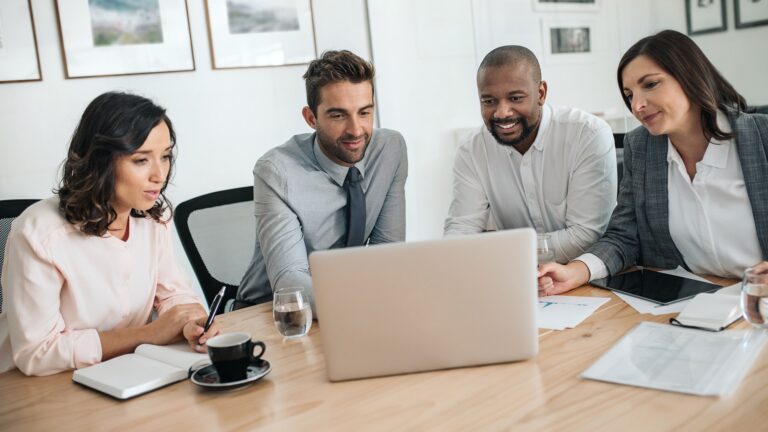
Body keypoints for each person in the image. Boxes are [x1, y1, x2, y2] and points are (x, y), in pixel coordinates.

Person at [0, 92, 220, 376]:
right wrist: (150, 334)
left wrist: (192, 321)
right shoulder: (39, 232)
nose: (159, 174)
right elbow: (38, 353)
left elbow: (173, 295)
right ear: (100, 161)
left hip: (124, 372)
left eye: (165, 157)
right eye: (141, 160)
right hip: (37, 388)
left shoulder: (153, 217)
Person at [538, 30, 768, 296]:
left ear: (689, 76)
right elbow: (623, 236)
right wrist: (574, 271)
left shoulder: (762, 138)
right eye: (629, 94)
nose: (637, 105)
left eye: (650, 85)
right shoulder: (643, 148)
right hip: (690, 306)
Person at [236, 50, 408, 309]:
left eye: (364, 113)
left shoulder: (390, 150)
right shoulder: (276, 171)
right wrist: (362, 305)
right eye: (338, 115)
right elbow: (289, 281)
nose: (355, 130)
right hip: (272, 308)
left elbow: (387, 252)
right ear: (311, 118)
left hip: (351, 302)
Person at [444, 45, 617, 263]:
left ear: (541, 93)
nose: (502, 113)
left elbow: (586, 237)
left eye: (515, 98)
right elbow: (461, 230)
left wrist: (500, 248)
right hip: (519, 277)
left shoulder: (587, 134)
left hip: (587, 276)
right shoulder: (471, 150)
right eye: (489, 101)